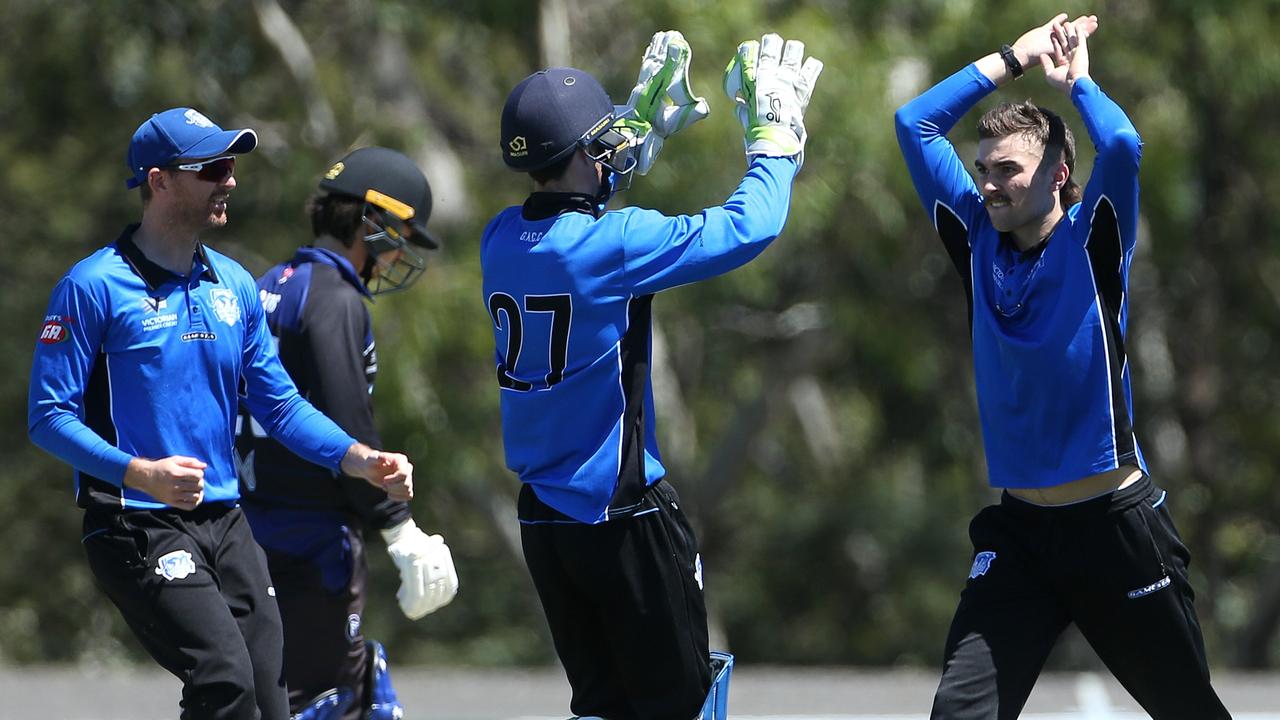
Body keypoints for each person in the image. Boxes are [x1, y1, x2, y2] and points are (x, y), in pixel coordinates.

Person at [894, 14, 1232, 719]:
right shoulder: (973, 236)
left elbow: (1124, 142)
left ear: (1058, 174)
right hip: (1021, 536)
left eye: (1007, 169)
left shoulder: (1093, 240)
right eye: (982, 169)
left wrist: (1076, 82)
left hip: (1114, 528)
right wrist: (1013, 58)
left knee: (1189, 711)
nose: (988, 184)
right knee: (960, 714)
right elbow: (913, 123)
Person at [27, 107, 414, 720]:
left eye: (231, 165)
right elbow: (48, 417)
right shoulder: (91, 286)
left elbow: (281, 406)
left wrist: (359, 459)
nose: (230, 180)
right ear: (159, 181)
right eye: (211, 168)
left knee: (269, 697)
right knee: (223, 679)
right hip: (135, 521)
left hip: (228, 523)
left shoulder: (233, 286)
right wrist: (140, 473)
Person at [481, 32, 821, 720]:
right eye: (603, 140)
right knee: (685, 706)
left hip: (546, 524)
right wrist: (775, 144)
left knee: (602, 708)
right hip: (623, 515)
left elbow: (576, 213)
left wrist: (622, 142)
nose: (616, 148)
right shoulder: (616, 241)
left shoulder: (499, 237)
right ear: (580, 154)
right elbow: (749, 228)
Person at [236, 146, 459, 720]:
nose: (397, 256)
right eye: (401, 235)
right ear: (372, 222)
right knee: (324, 701)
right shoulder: (335, 299)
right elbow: (347, 425)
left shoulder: (270, 282)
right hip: (312, 537)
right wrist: (399, 528)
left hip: (250, 526)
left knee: (289, 691)